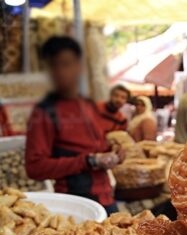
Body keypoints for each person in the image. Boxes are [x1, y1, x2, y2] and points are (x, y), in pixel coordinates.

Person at [25, 36, 121, 214]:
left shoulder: (88, 105)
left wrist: (115, 151)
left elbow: (98, 146)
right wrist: (89, 161)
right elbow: (34, 168)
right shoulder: (44, 112)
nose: (60, 72)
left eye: (66, 64)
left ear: (79, 66)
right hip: (75, 202)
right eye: (53, 65)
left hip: (106, 195)